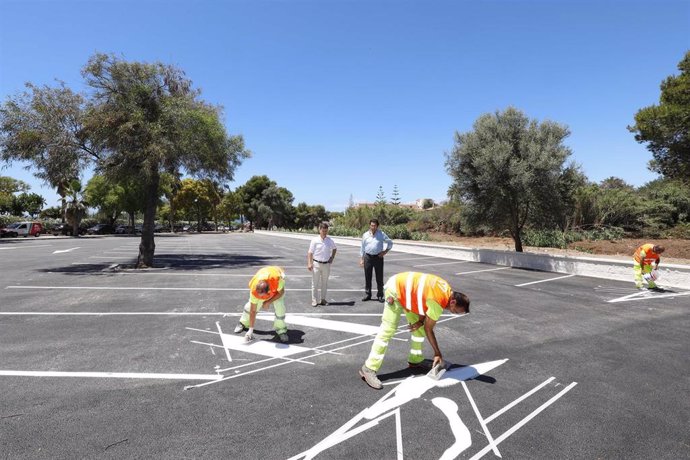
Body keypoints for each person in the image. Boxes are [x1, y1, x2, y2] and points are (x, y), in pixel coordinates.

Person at [359, 271, 470, 390]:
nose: (455, 313)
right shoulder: (438, 301)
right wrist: (437, 353)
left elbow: (424, 300)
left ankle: (415, 359)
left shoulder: (447, 289)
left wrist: (420, 321)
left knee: (419, 329)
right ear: (453, 302)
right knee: (388, 329)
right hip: (395, 289)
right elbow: (429, 329)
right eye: (457, 311)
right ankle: (369, 368)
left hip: (408, 293)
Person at [234, 265, 289, 343]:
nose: (260, 298)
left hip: (277, 290)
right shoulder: (254, 288)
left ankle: (281, 330)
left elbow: (281, 292)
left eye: (263, 296)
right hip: (264, 285)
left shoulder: (277, 280)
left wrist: (268, 302)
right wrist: (251, 330)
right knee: (249, 307)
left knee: (280, 308)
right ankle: (243, 323)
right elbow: (253, 311)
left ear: (269, 291)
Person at [359, 219, 393, 302]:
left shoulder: (381, 234)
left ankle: (380, 295)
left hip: (378, 258)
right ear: (369, 225)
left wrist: (384, 252)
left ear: (377, 226)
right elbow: (362, 247)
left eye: (374, 225)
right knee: (368, 277)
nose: (373, 227)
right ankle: (368, 294)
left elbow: (390, 243)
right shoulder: (365, 235)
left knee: (379, 277)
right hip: (368, 257)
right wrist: (362, 259)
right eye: (371, 225)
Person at [307, 222, 338, 307]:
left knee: (324, 283)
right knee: (315, 283)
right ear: (319, 230)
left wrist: (332, 258)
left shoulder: (329, 240)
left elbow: (334, 249)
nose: (324, 232)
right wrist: (309, 263)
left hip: (326, 265)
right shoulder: (314, 240)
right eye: (323, 230)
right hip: (316, 264)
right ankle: (314, 300)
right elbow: (310, 252)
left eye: (326, 231)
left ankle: (323, 299)